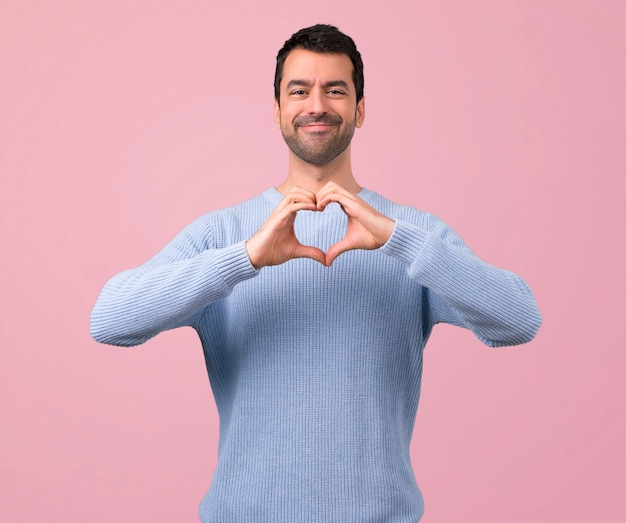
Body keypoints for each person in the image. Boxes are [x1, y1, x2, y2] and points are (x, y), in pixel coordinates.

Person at [91, 24, 542, 523]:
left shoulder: (414, 234)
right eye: (299, 90)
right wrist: (244, 258)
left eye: (336, 89)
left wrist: (397, 240)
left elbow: (519, 320)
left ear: (360, 109)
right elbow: (110, 320)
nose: (316, 105)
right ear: (278, 110)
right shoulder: (223, 234)